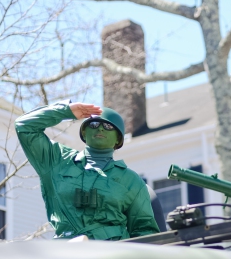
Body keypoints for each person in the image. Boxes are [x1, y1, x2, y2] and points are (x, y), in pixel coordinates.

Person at [15, 100, 160, 240]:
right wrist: (65, 111)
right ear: (84, 132)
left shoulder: (131, 181)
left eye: (109, 127)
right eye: (95, 124)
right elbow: (25, 126)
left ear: (118, 140)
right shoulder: (57, 161)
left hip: (110, 256)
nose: (101, 128)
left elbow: (145, 233)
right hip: (67, 253)